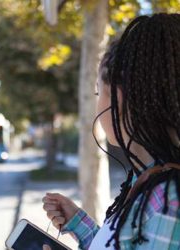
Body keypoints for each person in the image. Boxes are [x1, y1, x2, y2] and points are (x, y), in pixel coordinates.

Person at [42, 13, 180, 250]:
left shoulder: (170, 201)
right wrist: (80, 224)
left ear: (118, 96)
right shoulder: (149, 181)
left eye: (98, 91)